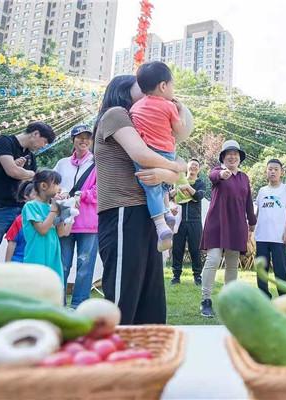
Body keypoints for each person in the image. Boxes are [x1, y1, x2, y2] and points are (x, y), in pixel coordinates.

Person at [94, 75, 186, 324]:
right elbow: (141, 155)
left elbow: (166, 171)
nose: (148, 90)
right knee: (125, 292)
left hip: (146, 213)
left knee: (151, 292)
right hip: (124, 210)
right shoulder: (115, 114)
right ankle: (114, 350)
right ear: (124, 90)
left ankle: (148, 349)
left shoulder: (141, 122)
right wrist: (175, 167)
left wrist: (169, 172)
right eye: (140, 86)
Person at [130, 61, 188, 251]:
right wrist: (178, 113)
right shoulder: (169, 106)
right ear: (163, 86)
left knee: (152, 189)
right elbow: (179, 131)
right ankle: (165, 221)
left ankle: (161, 223)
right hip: (167, 152)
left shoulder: (135, 108)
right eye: (172, 85)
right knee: (162, 185)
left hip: (147, 153)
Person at [0, 121, 55, 261]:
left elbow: (30, 183)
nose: (43, 146)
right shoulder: (4, 142)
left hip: (21, 210)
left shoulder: (30, 156)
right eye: (44, 141)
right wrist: (28, 173)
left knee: (22, 251)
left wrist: (25, 173)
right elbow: (12, 171)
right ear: (35, 134)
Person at [199, 140, 257, 317]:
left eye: (236, 154)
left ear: (239, 158)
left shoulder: (244, 178)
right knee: (213, 259)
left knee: (232, 263)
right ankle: (206, 300)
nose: (232, 157)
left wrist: (252, 223)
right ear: (223, 158)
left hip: (237, 224)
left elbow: (248, 202)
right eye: (228, 154)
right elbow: (213, 176)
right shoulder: (218, 172)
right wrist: (223, 174)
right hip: (216, 223)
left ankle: (229, 301)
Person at [54, 125, 98, 309]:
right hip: (64, 221)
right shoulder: (62, 164)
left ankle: (79, 305)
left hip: (89, 223)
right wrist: (58, 193)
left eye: (87, 137)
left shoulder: (98, 163)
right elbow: (52, 185)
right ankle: (58, 304)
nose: (84, 140)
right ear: (72, 140)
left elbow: (101, 190)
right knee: (62, 265)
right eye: (79, 137)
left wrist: (82, 195)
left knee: (84, 267)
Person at [254, 159, 286, 298]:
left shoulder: (285, 189)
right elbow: (257, 211)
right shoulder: (262, 191)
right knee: (261, 270)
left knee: (281, 271)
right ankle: (264, 297)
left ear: (281, 172)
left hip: (279, 238)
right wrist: (251, 229)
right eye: (270, 169)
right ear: (266, 172)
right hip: (262, 237)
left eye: (276, 169)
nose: (272, 171)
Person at [22, 170, 72, 282]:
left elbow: (61, 232)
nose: (59, 188)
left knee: (52, 287)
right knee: (36, 288)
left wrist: (67, 214)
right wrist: (54, 210)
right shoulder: (31, 206)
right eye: (56, 184)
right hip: (36, 256)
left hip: (53, 255)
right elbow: (43, 230)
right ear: (43, 186)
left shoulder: (52, 207)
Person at [170, 158, 206, 286]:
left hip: (194, 220)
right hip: (179, 220)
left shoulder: (200, 183)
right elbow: (169, 198)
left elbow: (198, 196)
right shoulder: (177, 181)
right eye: (191, 165)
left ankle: (197, 276)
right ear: (187, 168)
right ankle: (176, 276)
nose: (193, 167)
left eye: (196, 165)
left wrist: (187, 187)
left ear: (199, 169)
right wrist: (172, 194)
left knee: (195, 250)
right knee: (177, 249)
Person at [4, 182, 35, 262]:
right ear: (26, 198)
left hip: (36, 265)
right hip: (18, 263)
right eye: (35, 195)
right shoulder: (20, 220)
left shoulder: (47, 219)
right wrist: (7, 265)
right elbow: (12, 243)